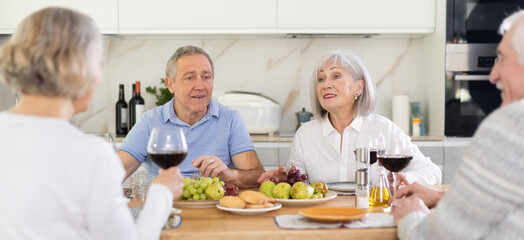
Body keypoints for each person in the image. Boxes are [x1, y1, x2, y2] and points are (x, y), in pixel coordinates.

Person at [0, 7, 183, 239]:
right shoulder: (90, 154)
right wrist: (162, 191)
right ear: (76, 68)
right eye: (98, 64)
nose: (99, 78)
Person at [392, 10, 524, 239]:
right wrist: (442, 197)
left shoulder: (512, 126)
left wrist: (410, 216)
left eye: (502, 58)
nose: (492, 75)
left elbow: (434, 237)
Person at [258, 50, 442, 187]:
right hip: (322, 219)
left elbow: (433, 172)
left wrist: (408, 178)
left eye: (336, 76)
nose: (326, 84)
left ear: (359, 88)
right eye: (321, 79)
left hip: (372, 214)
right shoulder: (305, 134)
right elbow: (298, 184)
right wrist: (283, 179)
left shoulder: (384, 130)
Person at [118, 46, 265, 188]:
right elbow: (114, 173)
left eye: (206, 77)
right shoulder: (149, 122)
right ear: (170, 84)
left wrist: (229, 174)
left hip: (215, 210)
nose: (200, 86)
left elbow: (257, 176)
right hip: (166, 208)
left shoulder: (230, 119)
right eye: (190, 77)